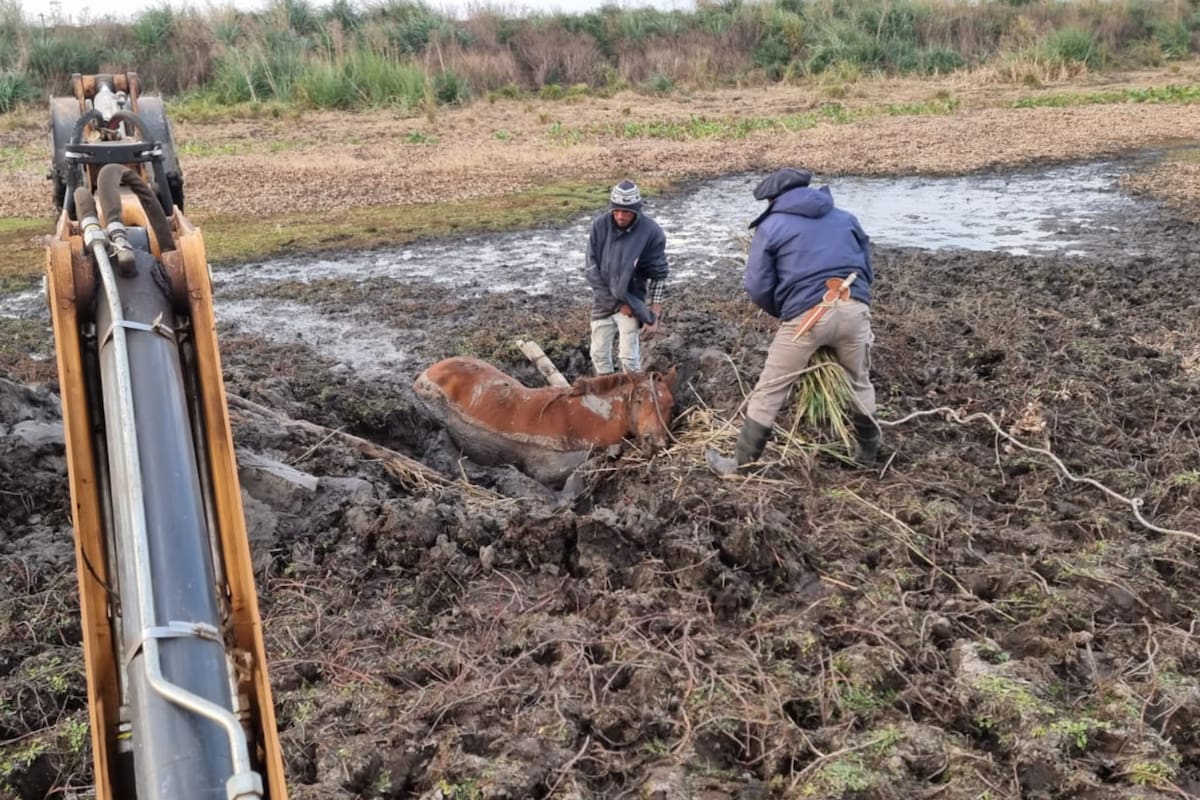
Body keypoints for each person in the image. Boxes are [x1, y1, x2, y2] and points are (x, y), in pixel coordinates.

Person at [707, 167, 880, 474]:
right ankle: (867, 456)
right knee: (859, 381)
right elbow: (866, 266)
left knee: (771, 388)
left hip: (808, 318)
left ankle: (741, 464)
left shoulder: (771, 226)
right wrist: (857, 299)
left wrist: (785, 311)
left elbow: (757, 285)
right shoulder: (845, 218)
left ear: (773, 198)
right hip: (854, 307)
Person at [584, 180, 669, 374]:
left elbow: (658, 275)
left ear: (637, 211)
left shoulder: (651, 233)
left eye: (627, 212)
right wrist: (617, 304)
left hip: (632, 301)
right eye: (616, 211)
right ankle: (607, 393)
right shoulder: (600, 226)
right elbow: (591, 268)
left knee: (628, 358)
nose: (620, 216)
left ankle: (633, 397)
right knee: (598, 353)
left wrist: (654, 314)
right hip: (604, 302)